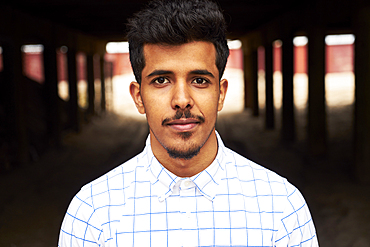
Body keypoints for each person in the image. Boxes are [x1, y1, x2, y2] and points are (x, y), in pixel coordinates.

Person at [58, 0, 319, 246]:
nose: (182, 100)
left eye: (199, 80)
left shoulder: (282, 206)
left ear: (221, 94)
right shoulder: (92, 212)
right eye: (161, 80)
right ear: (139, 97)